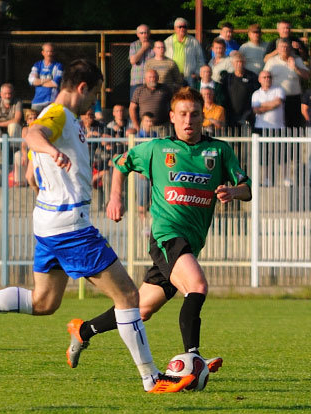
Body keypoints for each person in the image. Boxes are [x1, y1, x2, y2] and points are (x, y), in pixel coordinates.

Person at [0, 59, 194, 394]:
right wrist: (49, 150)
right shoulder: (60, 114)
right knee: (128, 296)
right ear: (81, 88)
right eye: (93, 95)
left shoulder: (62, 118)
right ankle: (152, 378)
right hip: (70, 227)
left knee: (44, 302)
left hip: (48, 221)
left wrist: (41, 163)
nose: (93, 103)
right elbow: (32, 133)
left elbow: (30, 164)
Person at [67, 86, 251, 376]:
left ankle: (83, 331)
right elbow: (120, 163)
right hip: (167, 236)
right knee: (198, 286)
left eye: (194, 114)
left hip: (191, 241)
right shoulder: (157, 149)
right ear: (172, 117)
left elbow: (247, 189)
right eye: (182, 114)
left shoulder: (219, 150)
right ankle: (194, 357)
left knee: (140, 310)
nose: (188, 120)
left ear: (203, 116)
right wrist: (116, 198)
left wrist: (233, 191)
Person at [262, 38, 310, 128]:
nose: (284, 49)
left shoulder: (297, 59)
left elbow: (307, 76)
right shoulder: (271, 62)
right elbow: (263, 77)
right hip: (277, 98)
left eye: (286, 47)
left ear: (290, 48)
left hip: (294, 98)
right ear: (277, 49)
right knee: (278, 125)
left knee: (294, 126)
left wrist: (295, 67)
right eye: (282, 47)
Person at [220, 51, 259, 126]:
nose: (239, 64)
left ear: (244, 63)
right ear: (232, 63)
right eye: (237, 62)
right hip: (230, 115)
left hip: (247, 115)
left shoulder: (252, 77)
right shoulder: (228, 78)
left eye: (241, 62)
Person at [164, 18, 206, 86]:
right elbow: (163, 59)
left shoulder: (194, 42)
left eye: (184, 27)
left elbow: (200, 59)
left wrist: (197, 73)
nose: (182, 29)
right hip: (172, 77)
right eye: (180, 27)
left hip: (189, 78)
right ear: (175, 28)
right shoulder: (167, 42)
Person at [28, 43, 63, 112]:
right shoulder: (37, 64)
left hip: (51, 101)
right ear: (43, 53)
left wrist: (39, 82)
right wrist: (47, 80)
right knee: (34, 122)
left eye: (51, 51)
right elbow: (31, 81)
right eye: (47, 51)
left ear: (54, 53)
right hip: (37, 101)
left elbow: (55, 83)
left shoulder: (58, 65)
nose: (49, 54)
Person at [129, 25, 154, 100]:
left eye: (146, 33)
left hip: (151, 81)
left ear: (149, 33)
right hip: (137, 80)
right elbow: (133, 61)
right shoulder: (133, 45)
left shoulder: (155, 45)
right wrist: (143, 48)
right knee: (135, 104)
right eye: (142, 33)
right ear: (138, 34)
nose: (144, 35)